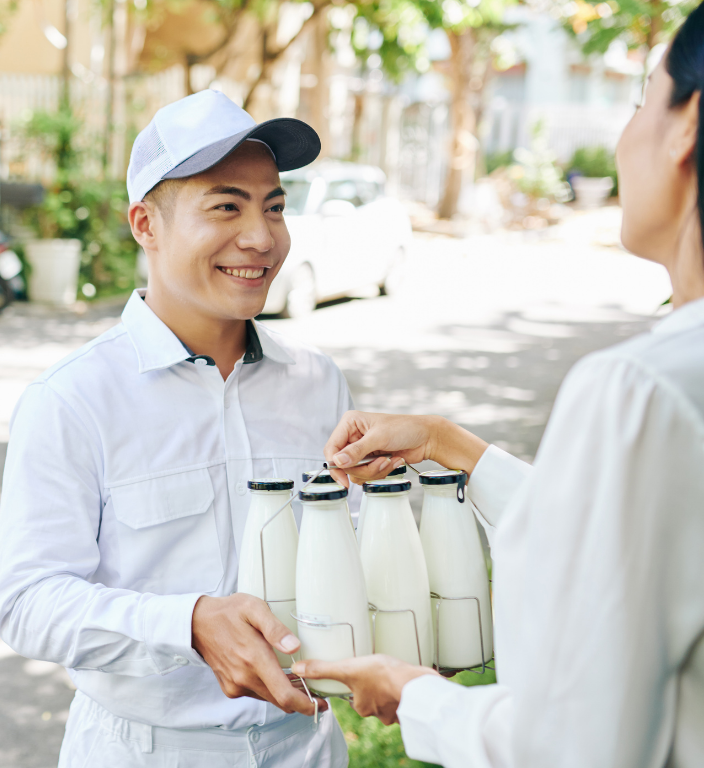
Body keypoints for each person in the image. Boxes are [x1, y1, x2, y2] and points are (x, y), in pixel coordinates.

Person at [292, 10, 704, 767]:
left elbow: (578, 743)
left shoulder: (644, 389)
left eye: (643, 99)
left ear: (688, 127)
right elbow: (625, 543)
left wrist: (417, 697)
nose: (625, 135)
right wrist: (450, 445)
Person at [0, 90, 353, 766]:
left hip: (306, 748)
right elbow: (29, 603)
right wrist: (186, 623)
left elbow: (350, 554)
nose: (260, 237)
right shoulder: (72, 400)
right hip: (145, 751)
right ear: (145, 225)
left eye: (273, 207)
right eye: (226, 206)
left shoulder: (317, 382)